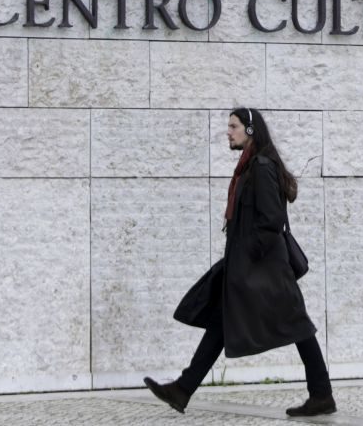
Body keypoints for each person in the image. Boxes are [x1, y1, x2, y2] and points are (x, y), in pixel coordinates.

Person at [143, 107, 336, 417]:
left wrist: (248, 257)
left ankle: (322, 395)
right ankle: (183, 388)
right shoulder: (249, 166)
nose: (228, 132)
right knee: (223, 319)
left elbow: (271, 220)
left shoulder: (260, 166)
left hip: (266, 269)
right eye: (228, 126)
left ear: (249, 130)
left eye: (233, 126)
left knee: (298, 325)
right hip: (253, 266)